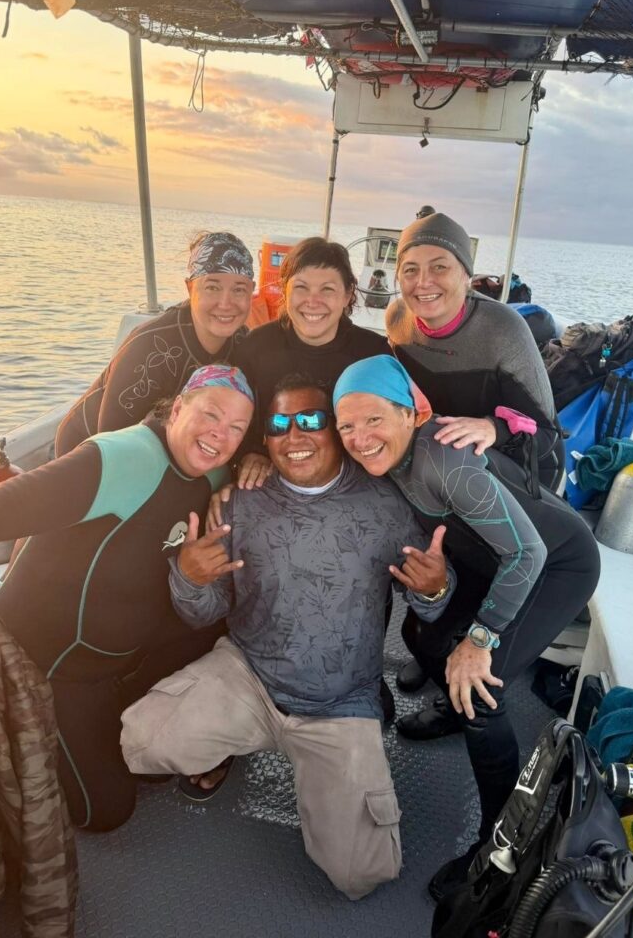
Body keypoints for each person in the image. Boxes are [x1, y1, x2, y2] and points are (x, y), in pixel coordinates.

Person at [120, 374, 454, 900]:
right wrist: (189, 577)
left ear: (335, 431)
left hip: (340, 701)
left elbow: (431, 605)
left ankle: (355, 734)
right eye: (278, 424)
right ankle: (231, 746)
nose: (294, 434)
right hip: (249, 677)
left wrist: (435, 589)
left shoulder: (386, 505)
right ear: (265, 439)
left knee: (361, 874)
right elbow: (201, 614)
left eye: (311, 420)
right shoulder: (237, 502)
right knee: (140, 742)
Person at [0, 365, 255, 832]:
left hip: (118, 657)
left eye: (237, 428)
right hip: (50, 667)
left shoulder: (211, 474)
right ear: (176, 408)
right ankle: (20, 739)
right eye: (211, 414)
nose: (221, 435)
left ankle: (109, 715)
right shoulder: (120, 458)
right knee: (107, 810)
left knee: (219, 626)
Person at [332, 355, 600, 900]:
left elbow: (529, 552)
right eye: (347, 426)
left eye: (374, 420)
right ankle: (458, 713)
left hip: (554, 564)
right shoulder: (388, 458)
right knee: (420, 637)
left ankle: (503, 844)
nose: (360, 438)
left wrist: (480, 641)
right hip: (487, 555)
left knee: (481, 687)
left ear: (411, 414)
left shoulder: (444, 463)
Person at [386, 212, 564, 492]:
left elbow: (547, 439)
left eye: (439, 267)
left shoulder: (503, 329)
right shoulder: (397, 319)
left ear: (466, 275)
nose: (423, 281)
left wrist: (494, 428)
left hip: (516, 464)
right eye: (410, 270)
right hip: (437, 455)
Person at [55, 231, 254, 456]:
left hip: (176, 453)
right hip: (86, 453)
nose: (226, 304)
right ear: (190, 288)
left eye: (239, 289)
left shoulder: (244, 345)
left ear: (252, 292)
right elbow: (111, 443)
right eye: (212, 287)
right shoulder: (151, 345)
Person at [235, 236, 390, 483]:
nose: (313, 301)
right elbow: (233, 414)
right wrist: (252, 451)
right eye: (301, 287)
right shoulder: (256, 347)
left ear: (348, 294)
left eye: (327, 289)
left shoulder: (372, 353)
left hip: (351, 473)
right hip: (274, 468)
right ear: (285, 290)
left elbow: (392, 426)